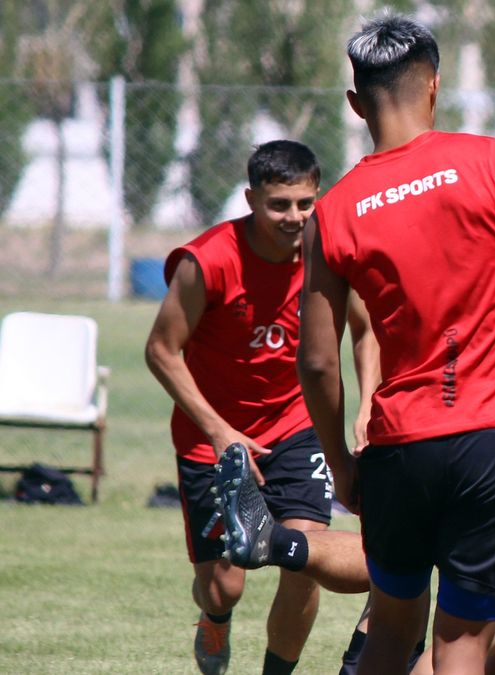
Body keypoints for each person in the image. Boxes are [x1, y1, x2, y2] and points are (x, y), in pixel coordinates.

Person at [293, 11, 495, 674]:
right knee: (461, 643)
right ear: (434, 86)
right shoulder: (494, 159)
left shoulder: (332, 211)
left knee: (390, 631)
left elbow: (319, 360)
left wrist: (340, 463)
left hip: (399, 445)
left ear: (356, 103)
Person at [145, 140, 374, 675]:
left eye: (305, 203)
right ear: (251, 199)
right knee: (223, 586)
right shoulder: (208, 260)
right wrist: (220, 432)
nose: (294, 216)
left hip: (296, 427)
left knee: (307, 557)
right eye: (279, 205)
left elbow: (366, 332)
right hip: (212, 439)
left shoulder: (332, 253)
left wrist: (368, 406)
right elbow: (161, 350)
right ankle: (215, 618)